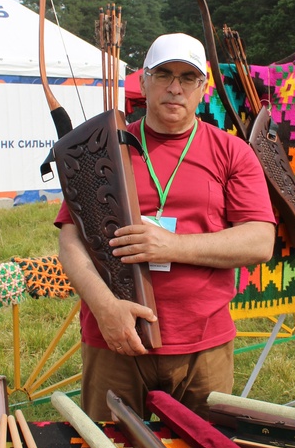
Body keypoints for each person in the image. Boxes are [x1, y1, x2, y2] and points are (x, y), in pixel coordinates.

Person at [56, 32, 276, 421]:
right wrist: (105, 308)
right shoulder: (101, 148)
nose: (175, 88)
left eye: (188, 78)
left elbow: (260, 241)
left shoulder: (232, 152)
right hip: (115, 338)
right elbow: (71, 240)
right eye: (163, 75)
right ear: (143, 82)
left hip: (203, 344)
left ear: (202, 89)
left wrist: (171, 246)